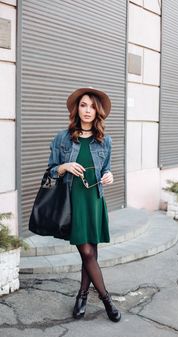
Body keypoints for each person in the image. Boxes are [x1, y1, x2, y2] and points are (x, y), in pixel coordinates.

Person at [48, 87, 121, 322]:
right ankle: (106, 299)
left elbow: (106, 168)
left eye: (91, 106)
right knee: (87, 251)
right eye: (83, 105)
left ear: (97, 111)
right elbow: (50, 171)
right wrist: (64, 166)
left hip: (94, 201)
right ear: (76, 109)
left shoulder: (105, 140)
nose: (87, 110)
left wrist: (109, 175)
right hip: (74, 201)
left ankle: (81, 296)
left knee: (90, 254)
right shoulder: (63, 138)